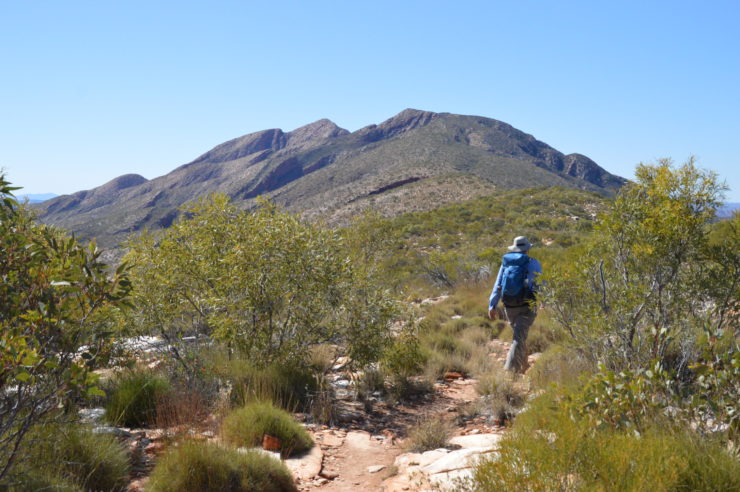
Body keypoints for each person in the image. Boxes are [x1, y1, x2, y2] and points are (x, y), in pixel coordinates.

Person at [488, 236, 542, 373]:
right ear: (527, 249)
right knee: (519, 337)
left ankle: (523, 365)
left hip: (509, 304)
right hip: (528, 304)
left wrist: (492, 305)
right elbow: (540, 284)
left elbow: (498, 285)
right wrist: (543, 301)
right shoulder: (533, 263)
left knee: (519, 335)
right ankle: (510, 371)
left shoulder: (505, 264)